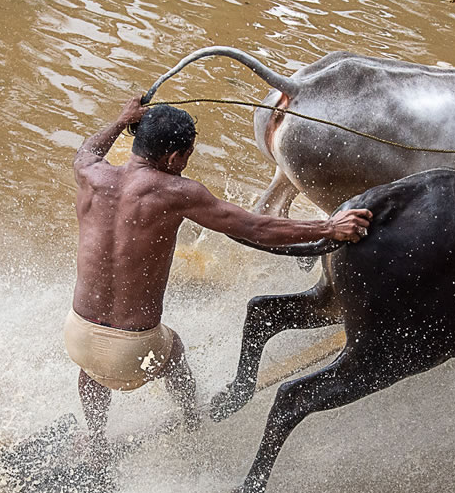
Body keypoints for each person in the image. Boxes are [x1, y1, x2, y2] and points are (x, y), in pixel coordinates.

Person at [64, 95, 371, 455]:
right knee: (173, 351)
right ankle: (193, 422)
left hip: (78, 337)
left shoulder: (90, 173)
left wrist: (120, 119)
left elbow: (86, 149)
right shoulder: (177, 192)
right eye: (188, 155)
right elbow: (252, 227)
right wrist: (328, 227)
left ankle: (96, 440)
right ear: (175, 157)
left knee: (93, 368)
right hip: (134, 350)